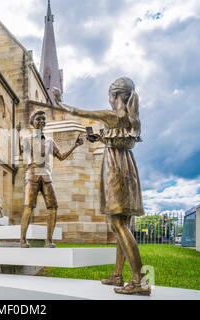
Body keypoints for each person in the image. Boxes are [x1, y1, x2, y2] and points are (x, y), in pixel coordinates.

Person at [54, 77, 151, 296]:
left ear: (115, 96)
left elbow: (79, 112)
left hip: (115, 168)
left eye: (110, 95)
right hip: (127, 166)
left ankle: (140, 281)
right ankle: (118, 275)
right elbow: (117, 138)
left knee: (117, 224)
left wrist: (60, 101)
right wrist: (100, 137)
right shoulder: (131, 119)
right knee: (122, 224)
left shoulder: (111, 116)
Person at [19, 110, 83, 248]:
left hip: (46, 175)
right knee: (29, 206)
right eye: (38, 118)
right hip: (32, 175)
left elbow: (61, 156)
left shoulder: (49, 140)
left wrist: (75, 145)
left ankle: (49, 240)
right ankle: (23, 240)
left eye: (43, 119)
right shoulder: (26, 139)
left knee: (53, 206)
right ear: (32, 121)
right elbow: (25, 154)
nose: (42, 121)